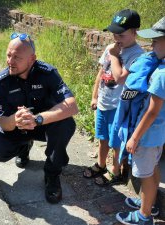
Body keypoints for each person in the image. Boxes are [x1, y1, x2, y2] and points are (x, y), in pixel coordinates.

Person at [0, 32, 78, 204]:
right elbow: (4, 124)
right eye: (8, 55)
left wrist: (38, 119)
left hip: (43, 124)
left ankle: (52, 174)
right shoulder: (2, 82)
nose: (10, 61)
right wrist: (15, 119)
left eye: (16, 57)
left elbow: (71, 105)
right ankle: (23, 148)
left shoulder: (47, 73)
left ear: (32, 59)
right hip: (18, 127)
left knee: (66, 124)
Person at [83, 9, 144, 186]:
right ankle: (101, 164)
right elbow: (101, 72)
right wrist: (95, 96)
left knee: (116, 141)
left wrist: (115, 56)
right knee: (102, 137)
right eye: (114, 34)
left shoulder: (136, 55)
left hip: (119, 106)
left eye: (121, 35)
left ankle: (116, 170)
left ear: (134, 32)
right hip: (104, 101)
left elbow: (121, 78)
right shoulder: (111, 49)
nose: (116, 38)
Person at [116, 16, 165, 225]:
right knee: (152, 170)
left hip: (146, 135)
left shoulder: (162, 74)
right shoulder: (160, 64)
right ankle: (149, 201)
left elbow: (152, 111)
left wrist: (134, 137)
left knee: (145, 175)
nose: (151, 45)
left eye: (155, 41)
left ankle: (144, 216)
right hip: (156, 134)